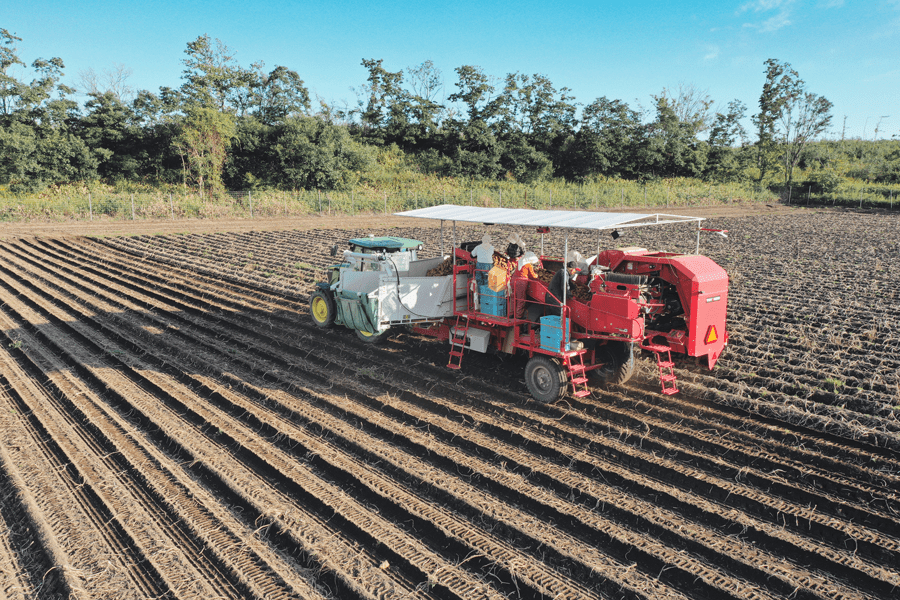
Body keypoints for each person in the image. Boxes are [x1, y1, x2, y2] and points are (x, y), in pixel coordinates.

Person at [513, 252, 540, 321]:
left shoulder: (520, 261)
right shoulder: (528, 265)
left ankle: (511, 314)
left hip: (513, 280)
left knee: (513, 298)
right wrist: (538, 276)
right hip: (521, 282)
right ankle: (519, 316)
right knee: (521, 299)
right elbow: (533, 276)